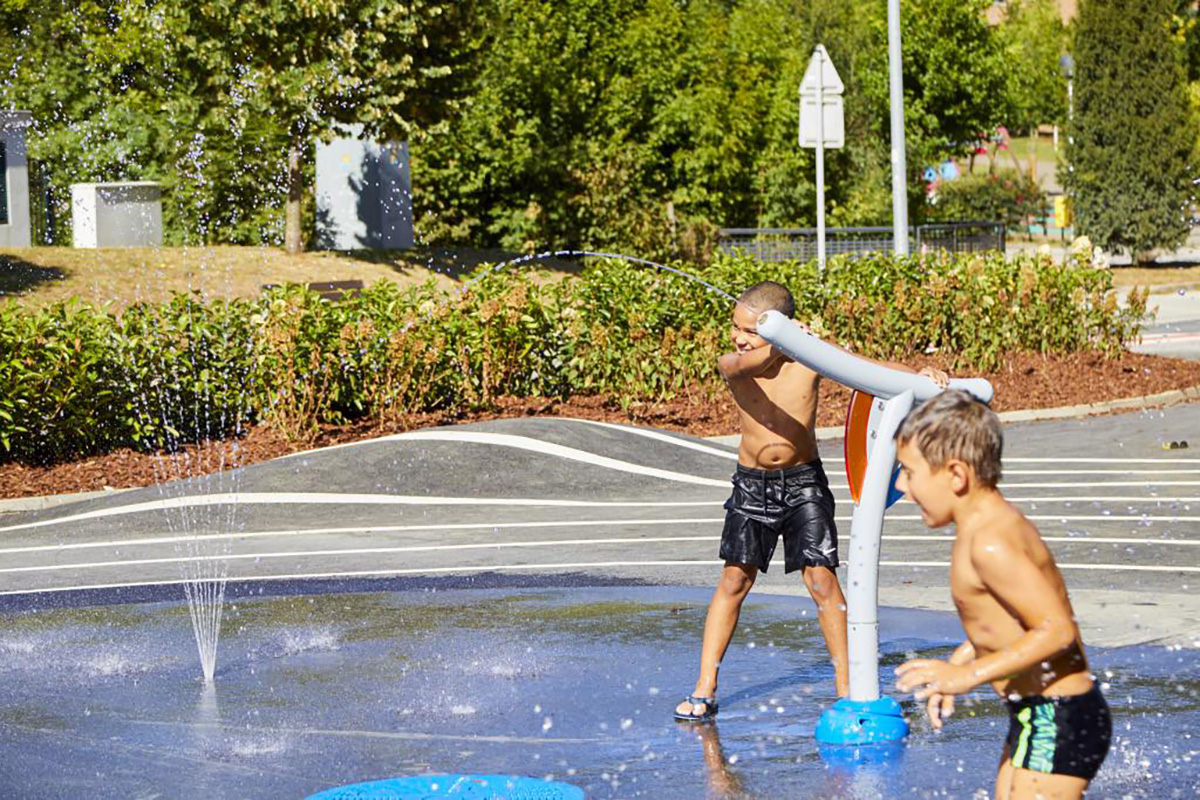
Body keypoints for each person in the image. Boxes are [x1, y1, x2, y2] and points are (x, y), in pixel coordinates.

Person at [674, 280, 947, 722]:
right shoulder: (736, 363)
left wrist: (919, 375)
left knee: (822, 581)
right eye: (735, 327)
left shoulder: (809, 358)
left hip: (804, 484)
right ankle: (705, 688)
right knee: (733, 581)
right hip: (751, 486)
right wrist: (789, 340)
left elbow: (865, 369)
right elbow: (748, 363)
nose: (739, 337)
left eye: (751, 330)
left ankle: (849, 691)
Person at [893, 391, 1110, 799]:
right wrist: (961, 657)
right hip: (1037, 714)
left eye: (908, 471)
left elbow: (1056, 629)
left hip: (1057, 717)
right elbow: (1010, 623)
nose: (902, 486)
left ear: (955, 475)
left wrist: (965, 677)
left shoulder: (990, 542)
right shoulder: (982, 526)